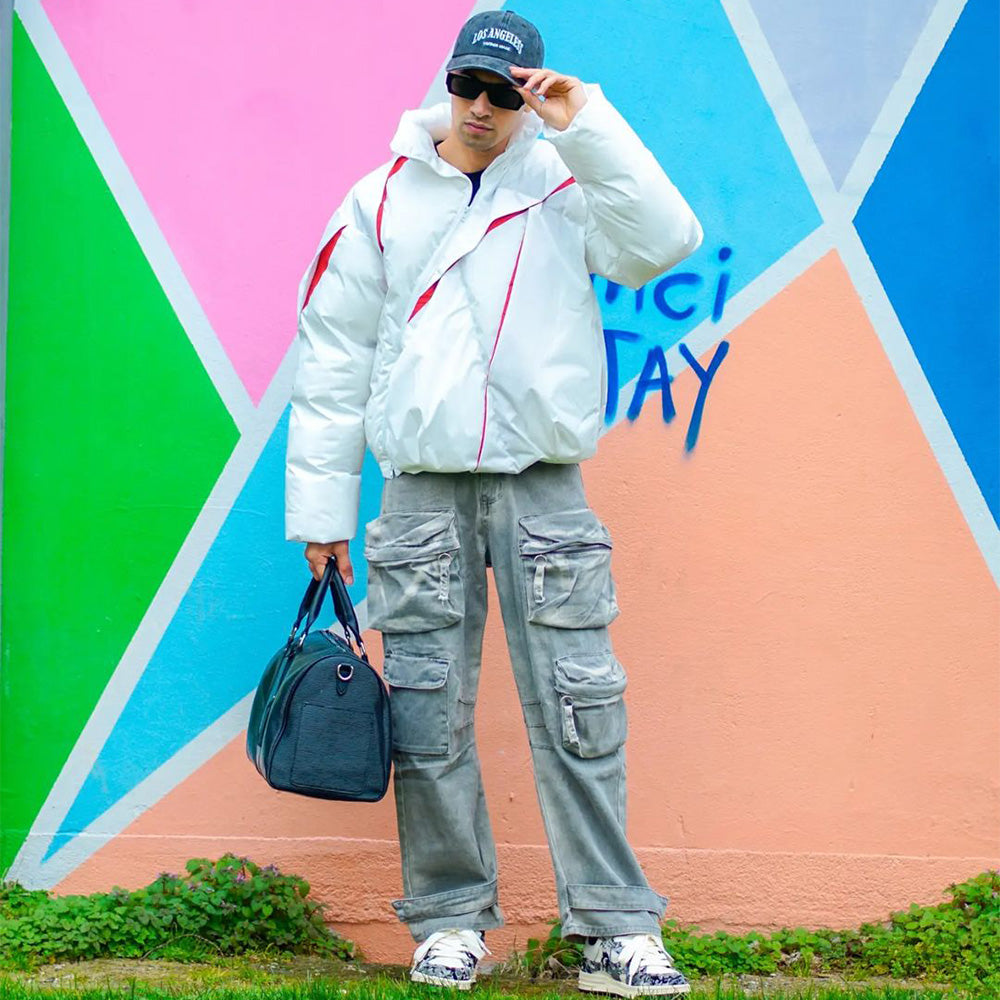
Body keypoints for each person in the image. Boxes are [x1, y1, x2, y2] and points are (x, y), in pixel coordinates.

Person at [285, 9, 702, 996]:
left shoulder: (561, 182)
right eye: (468, 84)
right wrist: (323, 513)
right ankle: (448, 921)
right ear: (447, 82)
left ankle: (613, 927)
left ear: (529, 95)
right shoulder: (379, 199)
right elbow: (334, 361)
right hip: (421, 489)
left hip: (541, 483)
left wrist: (584, 119)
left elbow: (665, 241)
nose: (480, 106)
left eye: (503, 91)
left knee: (580, 704)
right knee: (426, 714)